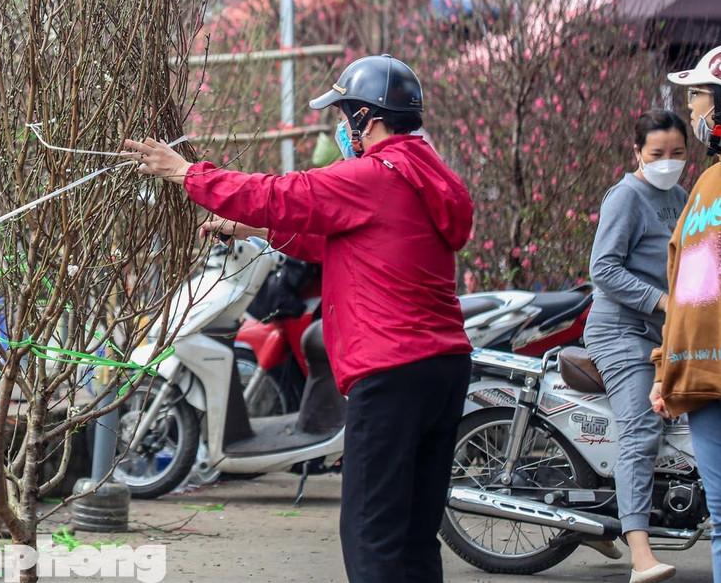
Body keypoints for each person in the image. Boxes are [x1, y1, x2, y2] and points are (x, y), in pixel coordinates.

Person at [125, 54, 474, 583]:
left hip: (391, 371)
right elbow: (338, 240)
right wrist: (250, 230)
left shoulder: (372, 175)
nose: (341, 127)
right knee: (412, 533)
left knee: (370, 534)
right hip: (442, 368)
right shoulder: (423, 175)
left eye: (344, 114)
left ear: (367, 118)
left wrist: (186, 172)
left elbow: (279, 194)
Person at [586, 109, 690, 583]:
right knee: (642, 428)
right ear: (637, 153)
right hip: (620, 330)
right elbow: (603, 269)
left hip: (667, 332)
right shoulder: (626, 196)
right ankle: (641, 555)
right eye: (657, 153)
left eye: (677, 153)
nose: (668, 161)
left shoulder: (682, 197)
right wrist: (663, 300)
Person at [650, 45, 721, 583]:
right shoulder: (704, 186)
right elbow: (688, 293)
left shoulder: (706, 187)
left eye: (696, 95)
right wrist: (666, 368)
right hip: (703, 378)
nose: (691, 108)